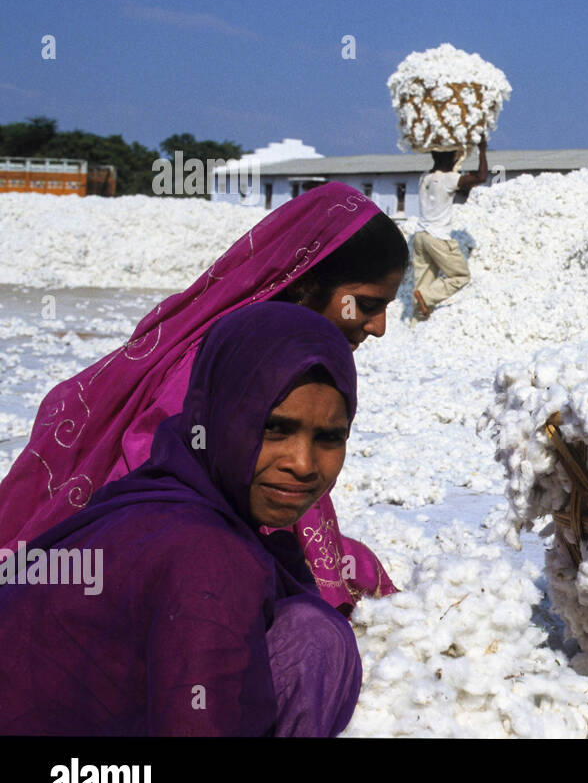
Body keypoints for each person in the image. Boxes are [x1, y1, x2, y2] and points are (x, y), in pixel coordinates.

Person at [0, 182, 406, 611]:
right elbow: (152, 494)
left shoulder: (288, 356)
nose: (378, 327)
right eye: (364, 305)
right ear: (305, 284)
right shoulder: (221, 367)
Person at [0, 303, 364, 736]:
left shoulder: (154, 495)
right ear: (220, 417)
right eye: (273, 429)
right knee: (316, 638)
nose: (303, 463)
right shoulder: (207, 554)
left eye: (329, 437)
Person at [411, 136, 489, 319]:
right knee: (460, 276)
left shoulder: (425, 178)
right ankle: (427, 297)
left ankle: (419, 320)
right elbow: (481, 177)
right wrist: (482, 150)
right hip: (438, 237)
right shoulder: (448, 179)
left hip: (421, 236)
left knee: (423, 281)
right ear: (451, 158)